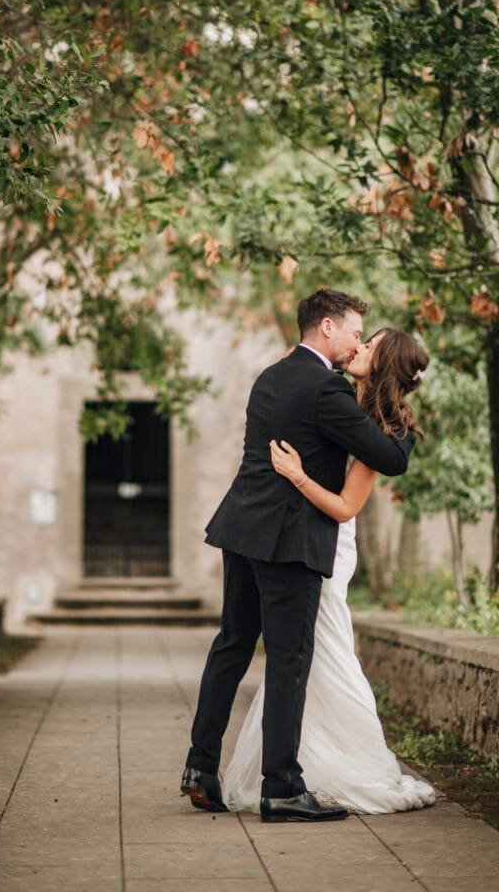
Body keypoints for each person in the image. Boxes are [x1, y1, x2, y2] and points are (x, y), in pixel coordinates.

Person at [181, 289, 417, 824]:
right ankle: (282, 788)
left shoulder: (270, 376)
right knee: (289, 661)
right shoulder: (326, 390)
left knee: (232, 645)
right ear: (327, 328)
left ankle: (199, 767)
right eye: (355, 330)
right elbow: (388, 457)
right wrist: (406, 417)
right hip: (289, 543)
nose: (359, 339)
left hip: (240, 528)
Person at [223, 327, 437, 815]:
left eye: (370, 345)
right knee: (302, 660)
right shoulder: (337, 397)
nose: (358, 347)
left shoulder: (379, 426)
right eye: (361, 338)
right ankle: (289, 771)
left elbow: (344, 508)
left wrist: (297, 477)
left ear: (382, 364)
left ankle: (314, 769)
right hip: (301, 538)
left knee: (325, 654)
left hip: (326, 544)